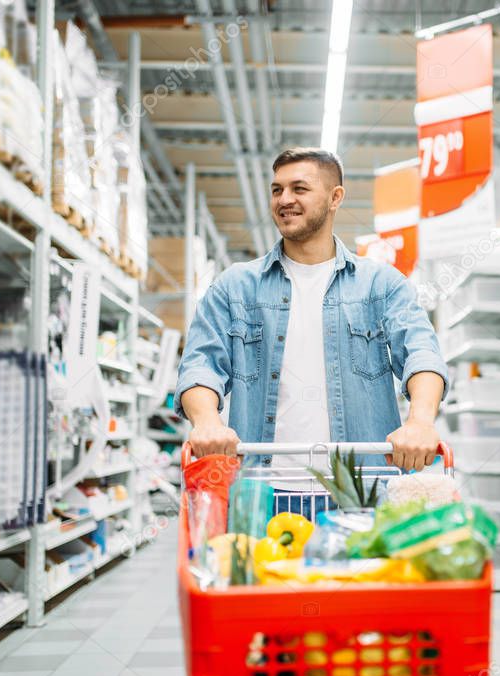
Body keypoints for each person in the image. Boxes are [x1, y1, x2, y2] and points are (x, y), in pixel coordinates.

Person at [175, 147, 448, 497]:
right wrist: (207, 422)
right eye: (277, 190)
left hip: (359, 493)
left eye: (299, 188)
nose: (284, 199)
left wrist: (421, 421)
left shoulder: (381, 286)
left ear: (335, 198)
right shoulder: (234, 288)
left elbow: (422, 353)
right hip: (261, 492)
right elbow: (200, 365)